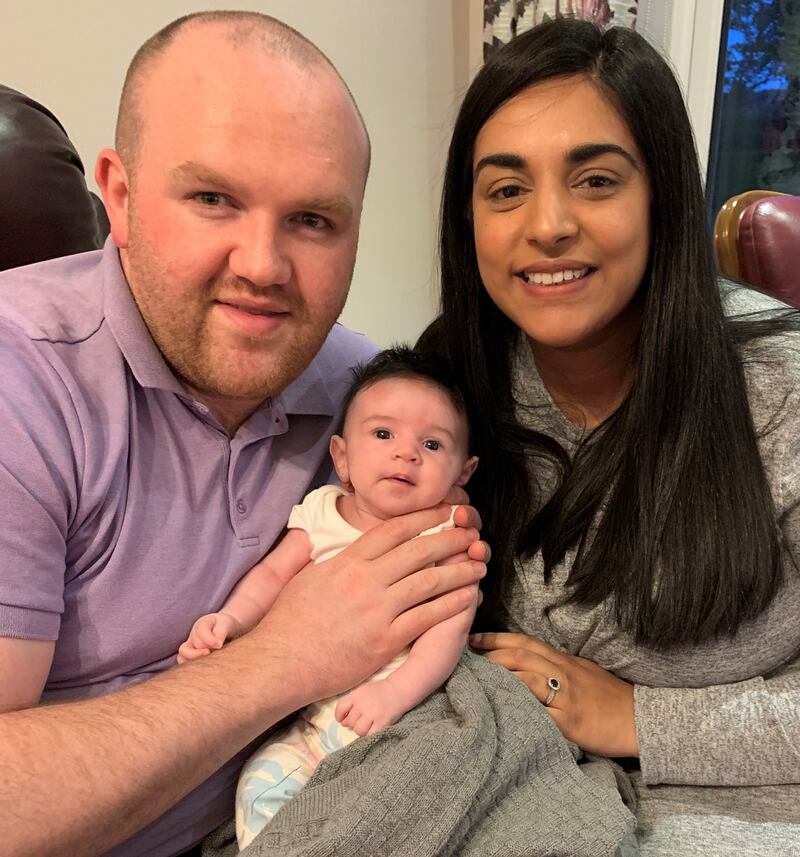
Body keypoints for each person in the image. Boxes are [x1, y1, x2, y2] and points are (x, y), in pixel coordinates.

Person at [0, 12, 486, 857]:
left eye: (313, 219)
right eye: (213, 199)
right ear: (120, 196)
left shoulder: (364, 397)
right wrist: (286, 656)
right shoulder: (22, 383)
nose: (262, 265)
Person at [418, 15, 800, 855]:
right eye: (506, 189)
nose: (549, 224)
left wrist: (635, 715)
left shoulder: (779, 386)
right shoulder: (446, 381)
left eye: (595, 180)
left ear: (663, 195)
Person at [178, 347, 478, 848]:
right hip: (311, 724)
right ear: (342, 457)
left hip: (405, 714)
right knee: (260, 785)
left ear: (461, 474)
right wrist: (230, 620)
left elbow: (450, 627)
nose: (406, 453)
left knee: (396, 805)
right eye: (383, 434)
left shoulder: (444, 536)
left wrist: (395, 693)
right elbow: (272, 574)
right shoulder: (322, 512)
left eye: (431, 444)